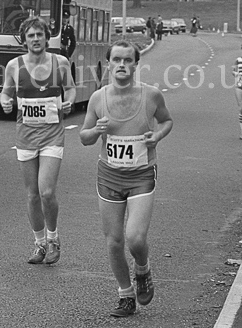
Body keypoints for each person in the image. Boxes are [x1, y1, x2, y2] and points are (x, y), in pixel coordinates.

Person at [79, 40, 173, 318]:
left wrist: (156, 135)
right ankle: (125, 294)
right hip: (109, 175)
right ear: (108, 63)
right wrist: (95, 130)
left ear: (135, 64)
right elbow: (84, 137)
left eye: (127, 60)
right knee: (114, 241)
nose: (121, 65)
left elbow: (167, 121)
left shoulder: (151, 95)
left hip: (142, 174)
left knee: (135, 237)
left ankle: (142, 269)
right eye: (116, 60)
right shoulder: (98, 98)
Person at [0, 17, 75, 265]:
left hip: (52, 134)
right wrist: (5, 102)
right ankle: (39, 244)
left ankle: (54, 239)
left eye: (39, 35)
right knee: (32, 195)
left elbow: (71, 88)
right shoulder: (14, 65)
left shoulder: (60, 62)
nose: (35, 39)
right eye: (31, 35)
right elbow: (6, 92)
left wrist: (69, 100)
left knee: (46, 191)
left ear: (46, 37)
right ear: (24, 39)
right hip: (26, 136)